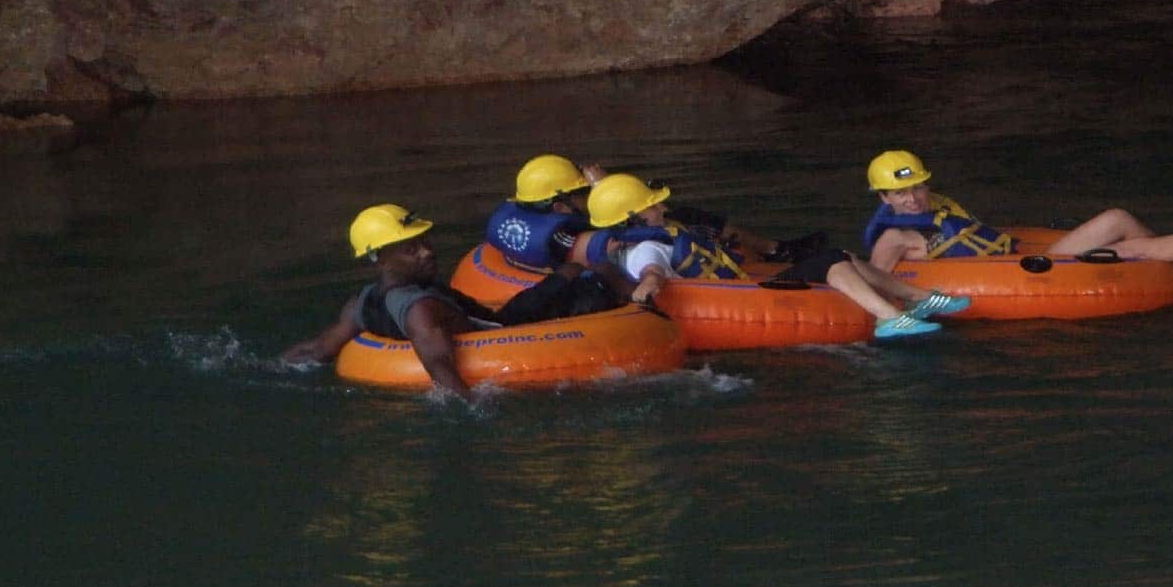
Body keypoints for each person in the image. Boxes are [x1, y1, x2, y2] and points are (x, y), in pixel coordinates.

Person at [283, 203, 618, 397]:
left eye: (424, 241)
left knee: (563, 278)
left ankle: (571, 271)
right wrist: (478, 412)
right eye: (411, 249)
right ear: (381, 259)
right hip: (506, 330)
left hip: (496, 317)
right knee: (601, 275)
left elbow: (318, 351)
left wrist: (269, 366)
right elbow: (442, 371)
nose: (428, 251)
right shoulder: (421, 311)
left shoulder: (362, 302)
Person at [585, 172, 967, 339]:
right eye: (652, 209)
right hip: (736, 301)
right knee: (828, 258)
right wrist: (647, 288)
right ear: (632, 219)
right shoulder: (646, 249)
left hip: (741, 283)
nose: (661, 211)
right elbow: (651, 272)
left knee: (837, 255)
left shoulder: (653, 235)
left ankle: (915, 300)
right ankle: (892, 318)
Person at [862, 150, 1173, 292]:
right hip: (1018, 276)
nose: (914, 196)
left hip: (1020, 256)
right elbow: (877, 280)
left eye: (917, 186)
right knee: (1134, 245)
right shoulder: (895, 236)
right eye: (901, 192)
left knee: (1120, 219)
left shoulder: (935, 203)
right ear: (884, 197)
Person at [485, 154, 827, 279]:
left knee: (677, 216)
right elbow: (608, 242)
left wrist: (605, 188)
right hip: (618, 262)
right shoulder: (563, 237)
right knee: (677, 221)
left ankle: (773, 249)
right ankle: (775, 253)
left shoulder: (531, 214)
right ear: (559, 206)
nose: (587, 194)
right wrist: (656, 230)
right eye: (581, 192)